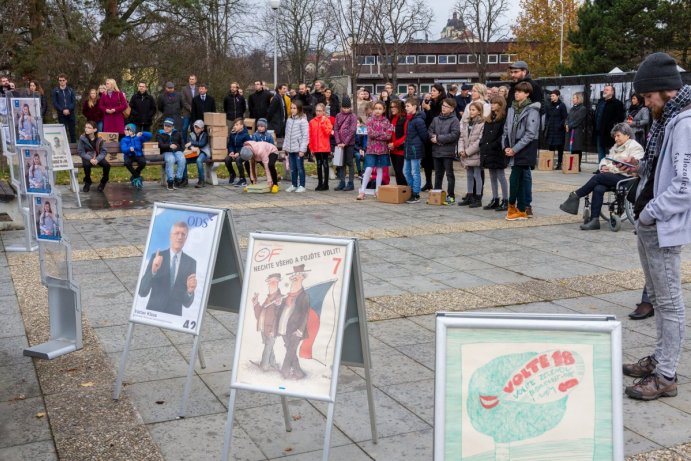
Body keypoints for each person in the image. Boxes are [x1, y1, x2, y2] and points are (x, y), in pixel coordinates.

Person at [621, 52, 691, 401]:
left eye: (648, 96)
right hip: (651, 221)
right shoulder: (671, 118)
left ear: (664, 90)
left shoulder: (684, 122)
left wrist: (651, 212)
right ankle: (660, 360)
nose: (647, 103)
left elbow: (685, 185)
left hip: (661, 224)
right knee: (661, 301)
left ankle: (665, 374)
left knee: (669, 302)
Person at [559, 122, 644, 229]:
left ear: (627, 135)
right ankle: (594, 220)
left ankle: (576, 195)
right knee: (598, 187)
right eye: (615, 136)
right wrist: (603, 166)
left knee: (598, 177)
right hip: (612, 176)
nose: (616, 139)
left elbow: (633, 166)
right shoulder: (616, 147)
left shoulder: (635, 147)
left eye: (618, 136)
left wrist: (611, 168)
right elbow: (606, 159)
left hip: (627, 179)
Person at [138, 221, 197, 317]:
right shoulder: (156, 257)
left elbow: (187, 303)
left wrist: (190, 291)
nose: (180, 237)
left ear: (186, 238)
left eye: (183, 234)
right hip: (153, 314)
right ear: (171, 236)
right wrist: (153, 271)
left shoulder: (191, 262)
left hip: (174, 317)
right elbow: (142, 291)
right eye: (177, 233)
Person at [503, 81, 540, 221]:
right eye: (516, 91)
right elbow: (506, 129)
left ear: (527, 94)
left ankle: (512, 205)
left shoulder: (532, 110)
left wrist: (515, 149)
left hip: (524, 149)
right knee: (522, 179)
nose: (516, 93)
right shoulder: (512, 108)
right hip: (512, 147)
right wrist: (505, 146)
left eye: (520, 91)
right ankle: (522, 209)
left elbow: (530, 134)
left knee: (515, 178)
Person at [278, 264, 311, 380]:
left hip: (296, 329)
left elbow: (306, 314)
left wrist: (300, 330)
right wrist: (279, 303)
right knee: (290, 349)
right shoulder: (288, 296)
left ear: (302, 278)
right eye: (294, 277)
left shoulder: (304, 296)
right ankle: (298, 372)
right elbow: (282, 310)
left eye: (297, 277)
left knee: (290, 350)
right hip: (284, 328)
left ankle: (284, 371)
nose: (295, 279)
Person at [357, 101, 391, 200]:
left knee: (380, 169)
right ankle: (362, 191)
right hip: (372, 149)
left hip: (383, 149)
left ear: (383, 110)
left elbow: (388, 135)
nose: (377, 111)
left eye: (380, 109)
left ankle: (377, 190)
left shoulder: (386, 121)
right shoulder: (370, 120)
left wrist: (378, 135)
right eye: (376, 108)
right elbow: (371, 133)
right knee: (368, 169)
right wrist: (381, 134)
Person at [429, 98, 460, 205]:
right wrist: (434, 138)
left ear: (452, 109)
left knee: (449, 174)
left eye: (446, 106)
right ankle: (437, 195)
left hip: (448, 152)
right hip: (436, 151)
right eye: (443, 105)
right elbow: (430, 131)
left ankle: (451, 196)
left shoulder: (454, 120)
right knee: (438, 174)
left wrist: (438, 139)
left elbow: (454, 135)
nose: (443, 107)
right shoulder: (436, 119)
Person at [480, 95, 509, 211]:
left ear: (500, 105)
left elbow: (502, 135)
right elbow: (485, 134)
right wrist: (482, 144)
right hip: (488, 151)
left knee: (501, 176)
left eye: (495, 103)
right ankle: (495, 198)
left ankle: (505, 200)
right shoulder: (489, 118)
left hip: (497, 151)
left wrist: (494, 145)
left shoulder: (503, 118)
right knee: (492, 175)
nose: (492, 105)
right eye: (491, 103)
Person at [252, 273, 283, 371]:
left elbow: (279, 317)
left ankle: (264, 365)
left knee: (268, 346)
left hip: (271, 329)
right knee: (269, 346)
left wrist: (273, 330)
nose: (271, 284)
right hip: (263, 327)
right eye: (270, 282)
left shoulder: (279, 299)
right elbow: (259, 315)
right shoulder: (268, 298)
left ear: (278, 282)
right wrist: (256, 303)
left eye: (274, 281)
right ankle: (273, 363)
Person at [458, 101, 485, 208]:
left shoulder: (482, 123)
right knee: (469, 175)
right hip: (465, 154)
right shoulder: (466, 122)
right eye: (470, 109)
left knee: (477, 175)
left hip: (475, 154)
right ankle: (469, 196)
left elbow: (479, 141)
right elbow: (461, 137)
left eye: (473, 110)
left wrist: (468, 151)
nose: (471, 111)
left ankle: (478, 198)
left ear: (479, 112)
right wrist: (461, 150)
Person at [403, 98, 428, 204]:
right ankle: (412, 189)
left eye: (408, 106)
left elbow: (424, 136)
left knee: (415, 172)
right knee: (406, 171)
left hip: (415, 149)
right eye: (405, 106)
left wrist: (417, 146)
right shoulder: (410, 119)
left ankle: (416, 193)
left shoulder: (418, 120)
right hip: (408, 149)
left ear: (414, 107)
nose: (406, 108)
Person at [421, 84, 446, 191]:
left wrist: (429, 109)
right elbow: (427, 118)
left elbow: (437, 119)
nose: (432, 92)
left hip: (438, 135)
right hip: (429, 134)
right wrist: (426, 108)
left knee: (437, 162)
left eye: (434, 90)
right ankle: (428, 182)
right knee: (427, 160)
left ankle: (437, 185)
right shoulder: (432, 102)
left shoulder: (443, 103)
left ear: (440, 92)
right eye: (431, 90)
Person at [593, 85, 626, 162]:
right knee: (600, 148)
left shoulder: (617, 103)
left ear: (612, 92)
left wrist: (612, 125)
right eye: (604, 90)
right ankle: (602, 167)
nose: (605, 91)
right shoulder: (600, 102)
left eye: (607, 90)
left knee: (613, 149)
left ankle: (611, 167)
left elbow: (620, 117)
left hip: (611, 132)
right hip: (599, 130)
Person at [284, 100, 309, 193]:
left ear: (299, 109)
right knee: (293, 168)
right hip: (290, 148)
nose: (292, 110)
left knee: (300, 167)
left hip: (298, 149)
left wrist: (302, 149)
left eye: (294, 108)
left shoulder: (303, 120)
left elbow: (305, 136)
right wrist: (285, 147)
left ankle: (302, 185)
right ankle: (294, 184)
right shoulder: (289, 120)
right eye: (291, 108)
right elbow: (287, 134)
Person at [77, 120, 109, 192]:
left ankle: (103, 182)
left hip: (97, 156)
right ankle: (87, 182)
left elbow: (103, 152)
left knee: (106, 165)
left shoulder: (99, 139)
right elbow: (81, 152)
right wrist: (90, 159)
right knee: (86, 165)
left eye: (89, 127)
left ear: (95, 130)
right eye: (85, 127)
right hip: (87, 156)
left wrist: (97, 159)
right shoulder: (82, 138)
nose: (86, 129)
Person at [334, 96, 358, 192]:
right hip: (340, 144)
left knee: (349, 162)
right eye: (344, 107)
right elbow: (335, 129)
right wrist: (338, 142)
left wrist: (345, 143)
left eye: (348, 108)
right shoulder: (338, 115)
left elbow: (352, 131)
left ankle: (351, 182)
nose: (346, 109)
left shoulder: (353, 116)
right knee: (341, 163)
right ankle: (342, 182)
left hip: (349, 143)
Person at [309, 103, 333, 191]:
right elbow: (310, 135)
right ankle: (319, 183)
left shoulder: (327, 120)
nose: (318, 112)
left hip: (324, 147)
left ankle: (326, 184)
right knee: (318, 165)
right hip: (316, 146)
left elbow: (328, 132)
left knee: (325, 164)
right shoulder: (312, 122)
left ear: (323, 112)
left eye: (320, 111)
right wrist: (311, 147)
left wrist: (322, 123)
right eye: (317, 111)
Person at [120, 123, 152, 189]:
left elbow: (150, 136)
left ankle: (133, 176)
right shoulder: (124, 139)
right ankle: (137, 177)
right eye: (125, 129)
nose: (125, 131)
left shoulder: (138, 138)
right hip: (129, 155)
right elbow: (123, 149)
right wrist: (129, 149)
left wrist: (142, 133)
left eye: (127, 129)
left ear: (133, 131)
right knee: (127, 163)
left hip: (138, 154)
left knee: (143, 162)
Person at [157, 117, 186, 190]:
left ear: (173, 127)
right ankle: (170, 181)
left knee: (182, 159)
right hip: (166, 151)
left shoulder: (177, 133)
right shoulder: (160, 134)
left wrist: (176, 146)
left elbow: (182, 145)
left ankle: (178, 179)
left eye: (169, 126)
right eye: (165, 125)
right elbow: (160, 145)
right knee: (171, 159)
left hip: (176, 151)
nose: (166, 127)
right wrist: (169, 146)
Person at [544, 89, 568, 169]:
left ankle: (559, 164)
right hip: (551, 130)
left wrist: (559, 126)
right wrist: (547, 124)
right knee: (551, 147)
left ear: (558, 96)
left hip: (559, 131)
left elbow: (565, 117)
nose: (551, 97)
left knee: (559, 147)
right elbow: (547, 116)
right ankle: (549, 164)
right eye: (551, 96)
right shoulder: (549, 105)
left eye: (553, 96)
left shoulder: (562, 105)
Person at [225, 118, 251, 186]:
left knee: (238, 159)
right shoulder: (232, 134)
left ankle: (242, 179)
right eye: (234, 125)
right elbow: (230, 144)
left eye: (237, 125)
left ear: (241, 126)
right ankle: (232, 174)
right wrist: (231, 151)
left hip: (244, 153)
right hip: (234, 153)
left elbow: (247, 146)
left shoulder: (246, 135)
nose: (234, 126)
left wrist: (239, 153)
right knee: (227, 159)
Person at [387, 99, 407, 186]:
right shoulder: (392, 117)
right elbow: (391, 132)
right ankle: (400, 191)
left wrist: (395, 144)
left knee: (400, 171)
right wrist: (389, 143)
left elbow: (406, 136)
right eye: (391, 107)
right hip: (392, 150)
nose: (392, 109)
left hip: (401, 150)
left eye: (394, 107)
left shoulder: (404, 118)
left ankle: (406, 190)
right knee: (396, 172)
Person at [52, 73, 77, 143]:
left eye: (63, 80)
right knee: (63, 131)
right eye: (60, 80)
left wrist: (68, 109)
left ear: (66, 81)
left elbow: (74, 102)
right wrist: (62, 110)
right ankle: (65, 148)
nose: (62, 82)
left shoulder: (70, 90)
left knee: (72, 131)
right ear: (58, 81)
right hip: (61, 114)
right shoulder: (55, 91)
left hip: (70, 113)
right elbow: (55, 103)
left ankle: (74, 147)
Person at [186, 120, 211, 188]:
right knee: (184, 161)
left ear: (202, 128)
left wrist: (192, 143)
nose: (196, 128)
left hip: (204, 152)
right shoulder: (191, 134)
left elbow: (202, 144)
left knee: (199, 160)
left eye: (198, 127)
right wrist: (191, 147)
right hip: (194, 153)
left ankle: (201, 180)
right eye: (195, 127)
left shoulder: (205, 135)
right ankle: (184, 179)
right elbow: (188, 143)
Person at [566, 92, 587, 171]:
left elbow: (578, 120)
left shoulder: (582, 109)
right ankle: (572, 165)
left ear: (579, 99)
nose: (573, 99)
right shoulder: (572, 108)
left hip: (577, 132)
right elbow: (567, 118)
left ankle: (577, 166)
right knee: (572, 149)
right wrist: (566, 124)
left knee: (577, 148)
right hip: (571, 131)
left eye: (574, 98)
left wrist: (570, 126)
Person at [181, 74, 198, 143]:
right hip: (187, 113)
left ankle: (194, 143)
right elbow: (183, 101)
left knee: (194, 129)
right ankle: (184, 144)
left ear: (195, 80)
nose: (191, 80)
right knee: (184, 128)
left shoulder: (198, 89)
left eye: (192, 79)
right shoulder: (184, 89)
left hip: (196, 113)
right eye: (190, 79)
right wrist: (190, 108)